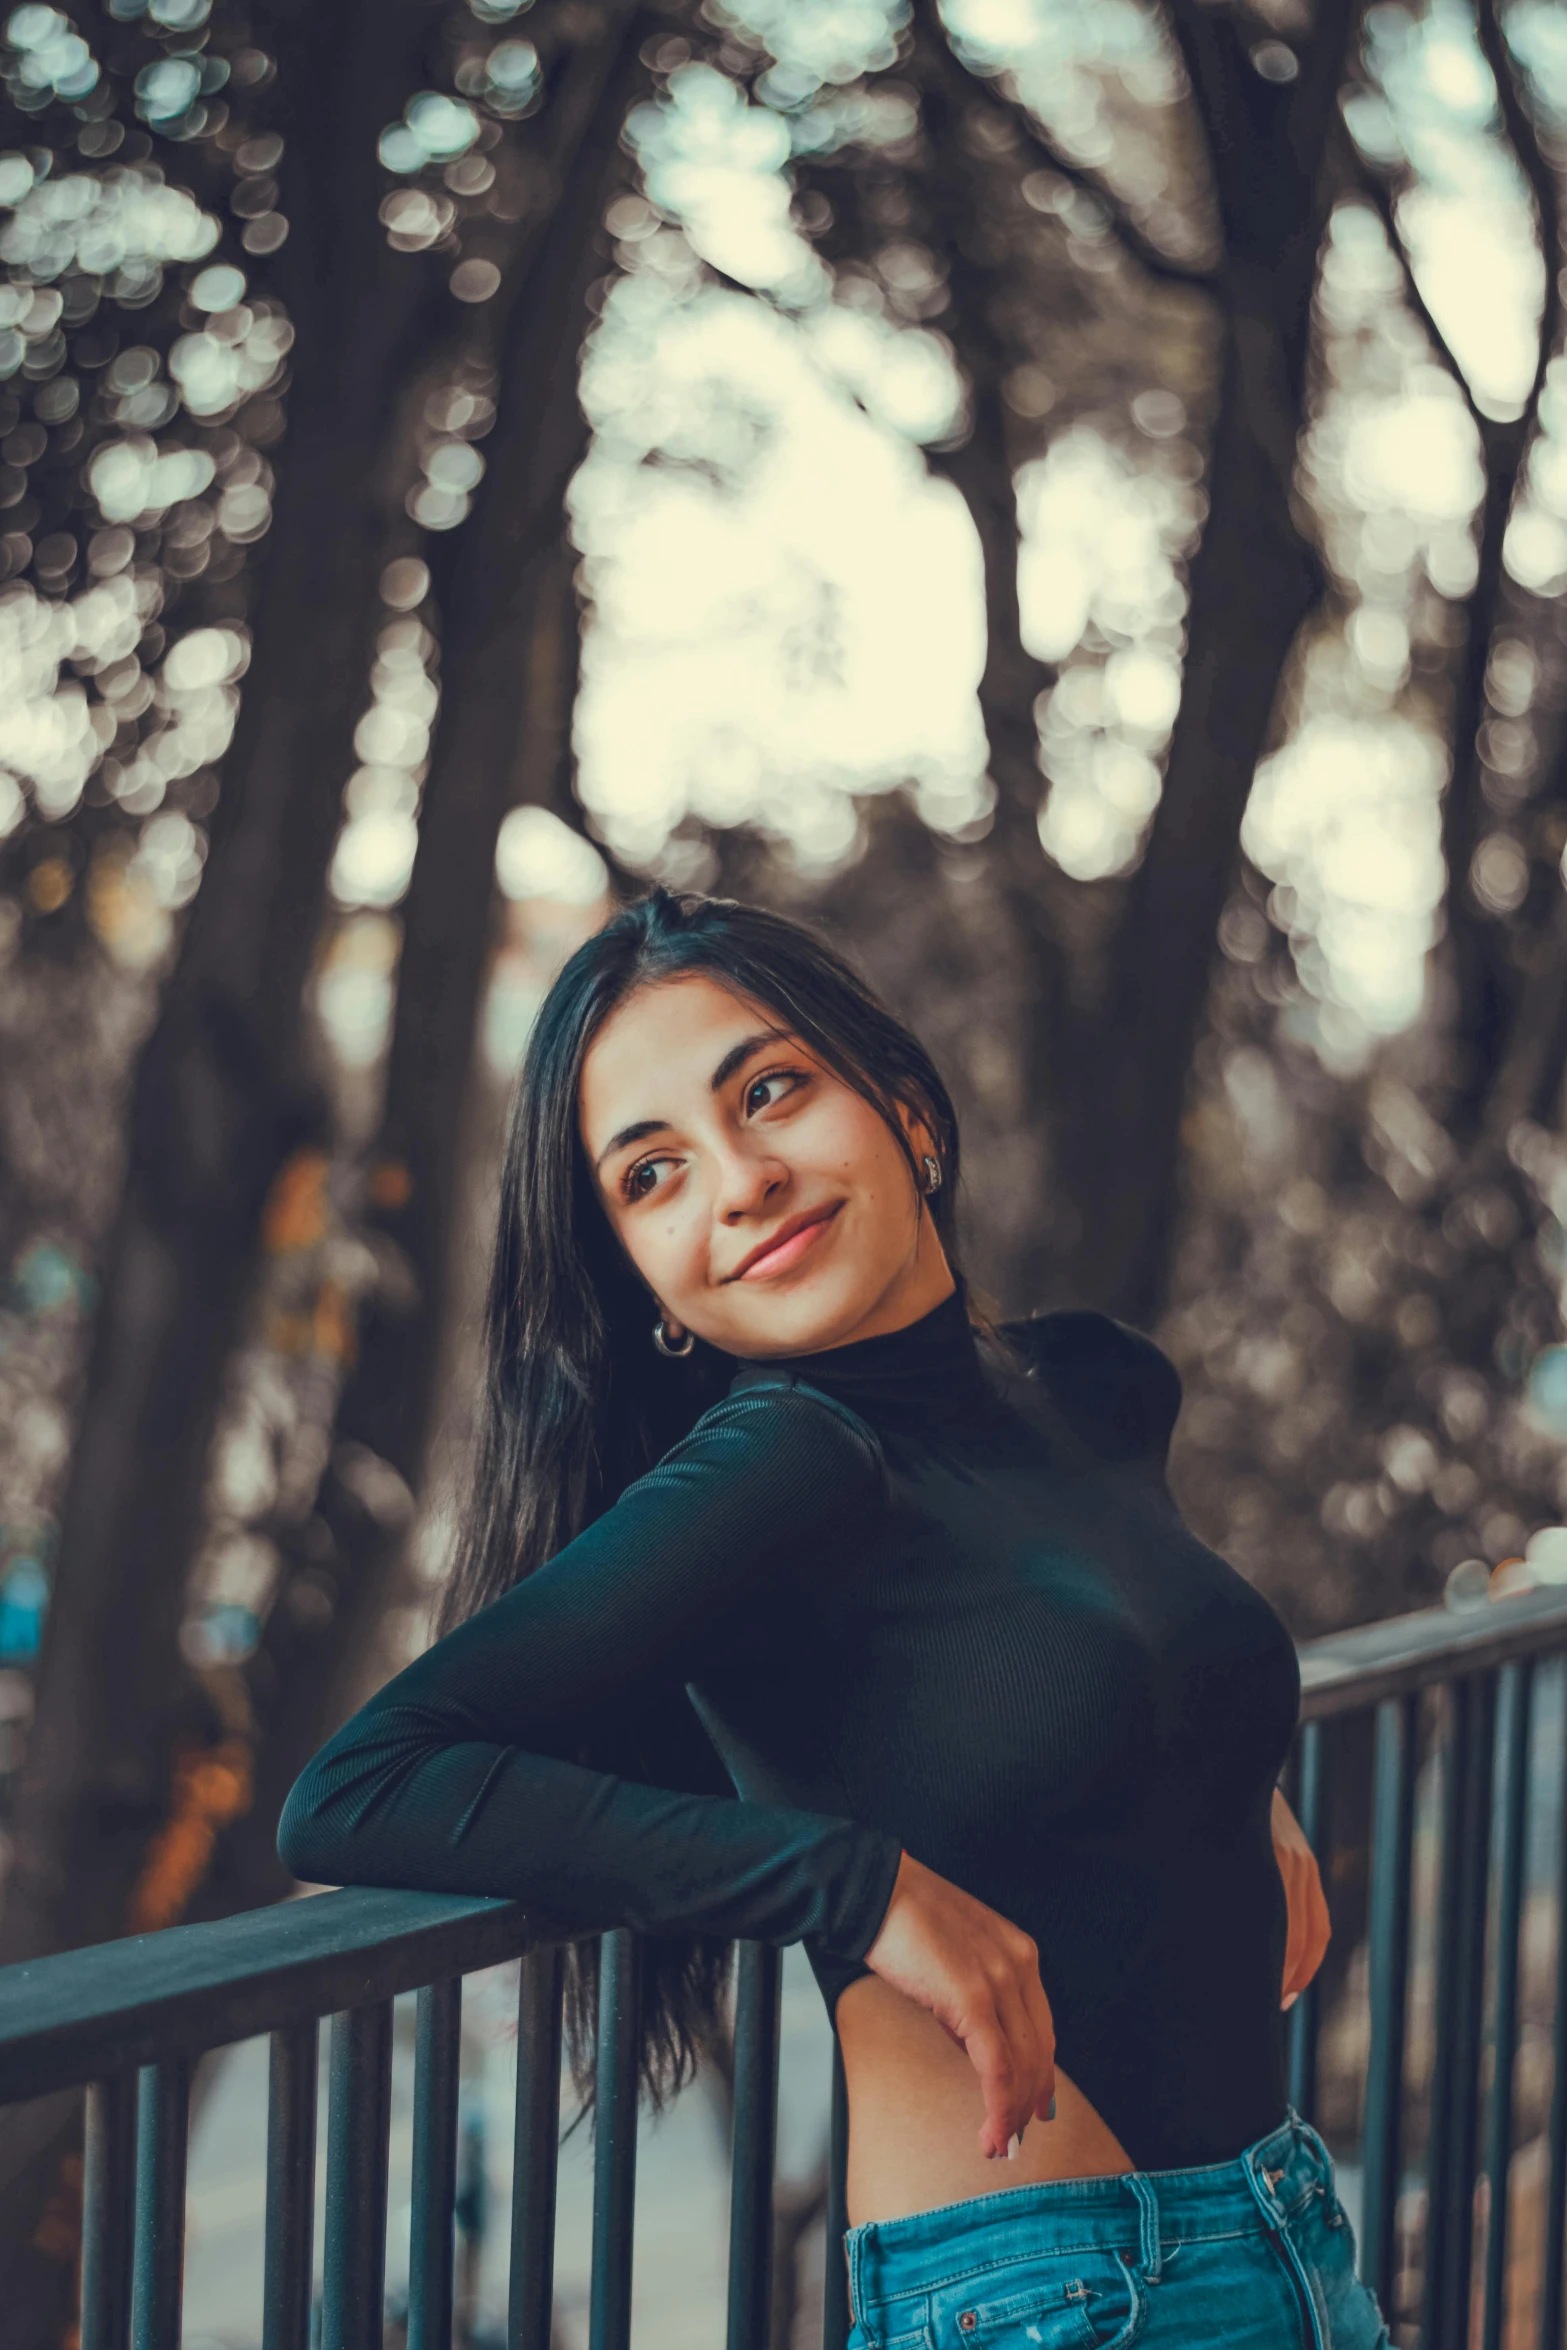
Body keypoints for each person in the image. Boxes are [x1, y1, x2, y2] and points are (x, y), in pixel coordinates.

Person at [279, 888, 1390, 2347]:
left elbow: (1101, 1649)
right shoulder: (777, 1462)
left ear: (908, 1111)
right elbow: (356, 1787)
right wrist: (859, 1886)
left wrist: (1226, 1773)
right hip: (1049, 2296)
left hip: (1289, 2232)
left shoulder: (1092, 1383)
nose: (739, 1179)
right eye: (653, 1173)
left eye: (771, 1090)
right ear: (646, 1286)